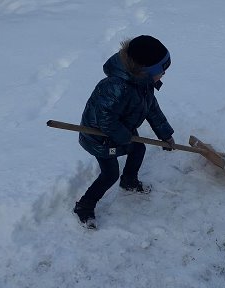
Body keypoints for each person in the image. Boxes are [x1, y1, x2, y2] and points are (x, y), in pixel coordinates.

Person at [74, 35, 175, 229]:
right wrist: (124, 138)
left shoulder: (142, 83)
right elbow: (105, 118)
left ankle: (129, 181)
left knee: (138, 149)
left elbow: (151, 108)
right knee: (110, 174)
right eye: (162, 70)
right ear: (147, 69)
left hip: (122, 129)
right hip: (99, 137)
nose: (164, 75)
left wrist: (165, 134)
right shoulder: (115, 86)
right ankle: (84, 206)